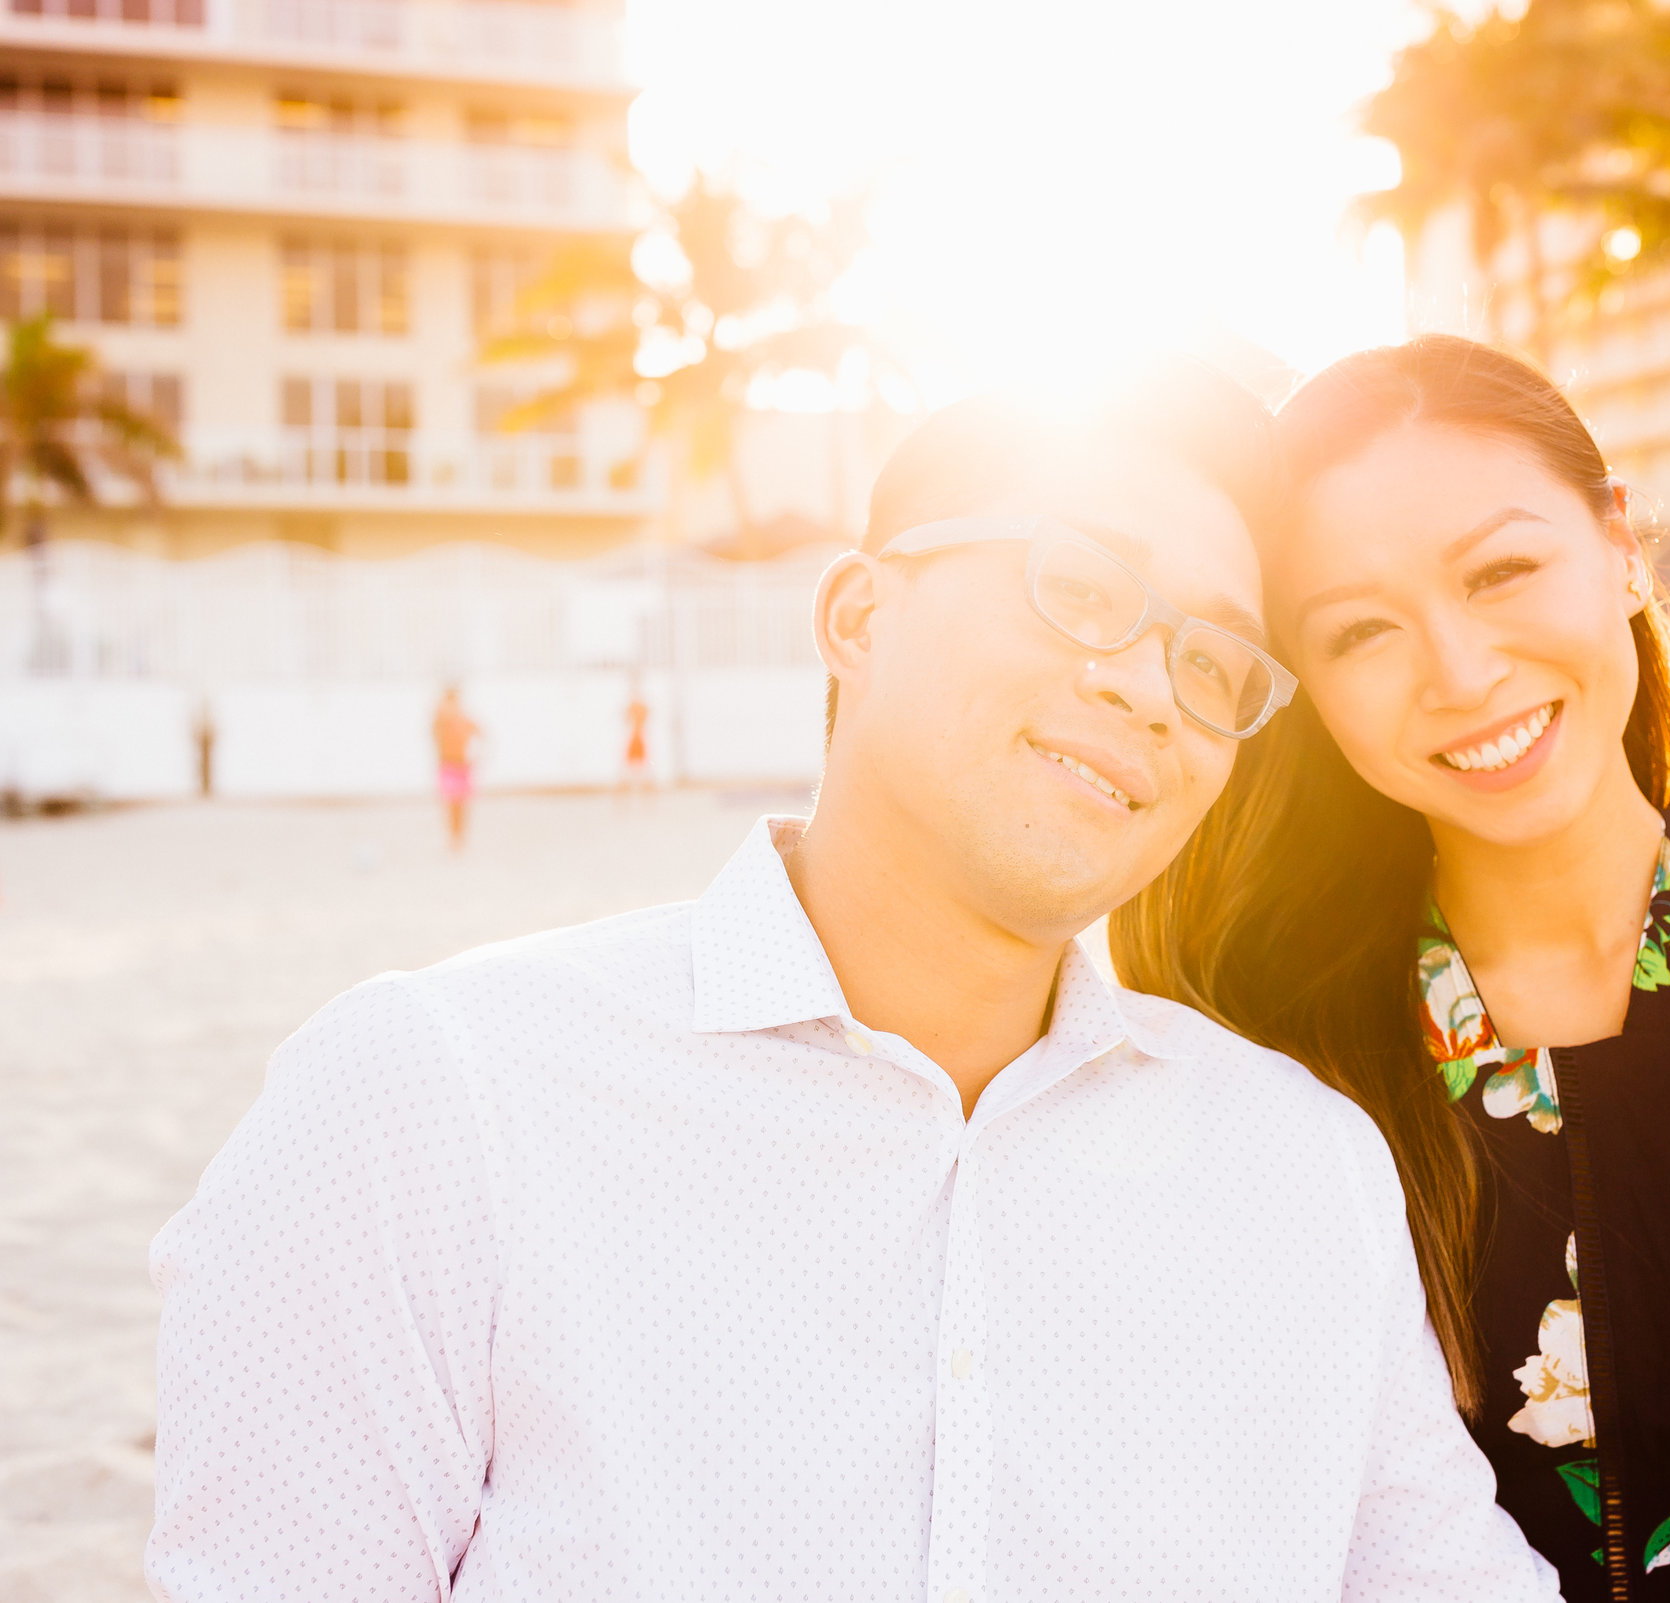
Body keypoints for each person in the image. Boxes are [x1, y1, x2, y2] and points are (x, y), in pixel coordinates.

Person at [147, 359, 1559, 1602]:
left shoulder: (1304, 1170)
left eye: (1210, 660)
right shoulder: (438, 1100)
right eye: (1080, 585)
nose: (1146, 686)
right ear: (856, 615)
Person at [1118, 337, 1670, 1601]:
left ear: (1619, 545)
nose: (1463, 674)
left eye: (1502, 569)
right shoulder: (1263, 1023)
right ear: (1306, 688)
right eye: (1362, 631)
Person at [432, 683, 480, 848]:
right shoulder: (441, 719)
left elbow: (481, 733)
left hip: (461, 765)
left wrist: (477, 757)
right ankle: (454, 838)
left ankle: (458, 838)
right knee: (452, 805)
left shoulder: (462, 719)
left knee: (460, 806)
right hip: (448, 765)